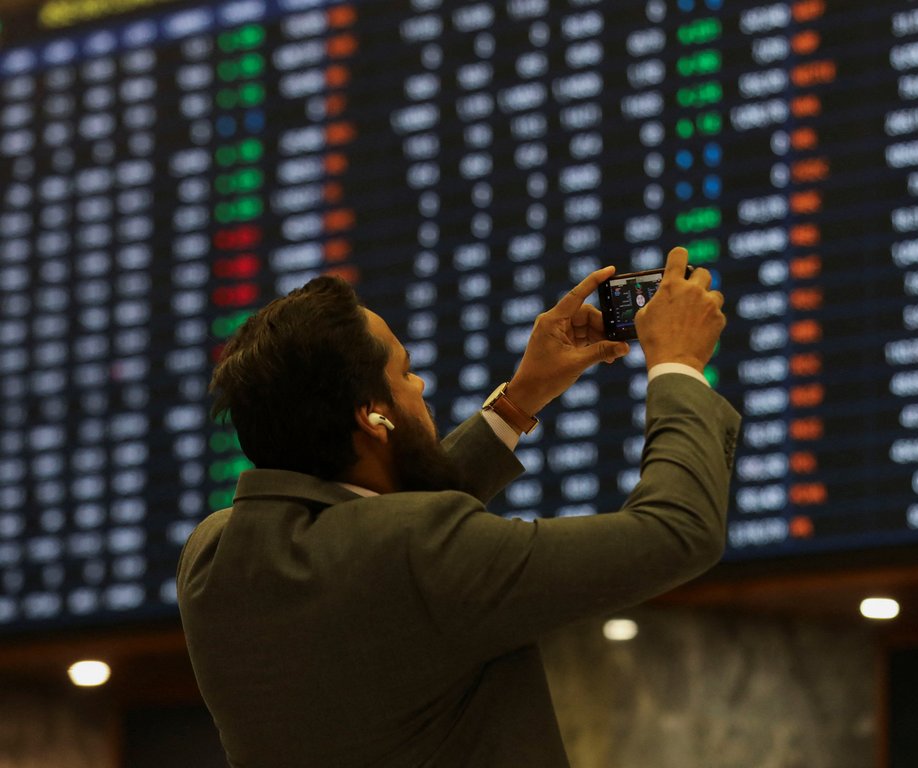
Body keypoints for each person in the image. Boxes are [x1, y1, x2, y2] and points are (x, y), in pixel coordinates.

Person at [177, 247, 738, 767]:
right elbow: (677, 530)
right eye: (405, 372)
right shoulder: (417, 552)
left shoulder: (212, 556)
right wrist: (678, 365)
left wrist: (520, 398)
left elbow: (369, 534)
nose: (419, 386)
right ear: (373, 416)